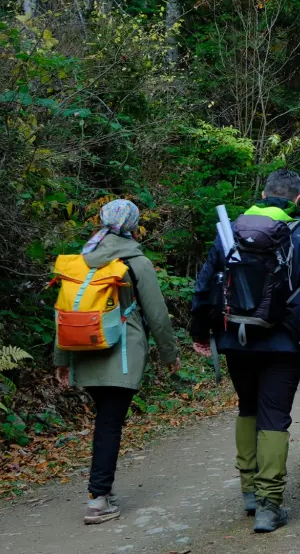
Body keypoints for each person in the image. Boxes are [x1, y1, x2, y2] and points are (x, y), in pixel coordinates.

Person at [189, 170, 300, 534]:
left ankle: (250, 492)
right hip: (283, 340)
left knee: (248, 407)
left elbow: (206, 284)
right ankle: (270, 505)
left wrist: (200, 332)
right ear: (297, 199)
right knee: (274, 415)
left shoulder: (232, 231)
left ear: (263, 193)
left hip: (234, 338)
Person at [53, 199, 179, 526]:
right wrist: (170, 355)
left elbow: (64, 310)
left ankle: (101, 493)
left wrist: (62, 358)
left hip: (84, 351)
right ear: (133, 225)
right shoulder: (136, 261)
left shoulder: (83, 258)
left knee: (106, 421)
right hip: (121, 355)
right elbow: (157, 316)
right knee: (109, 423)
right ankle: (97, 499)